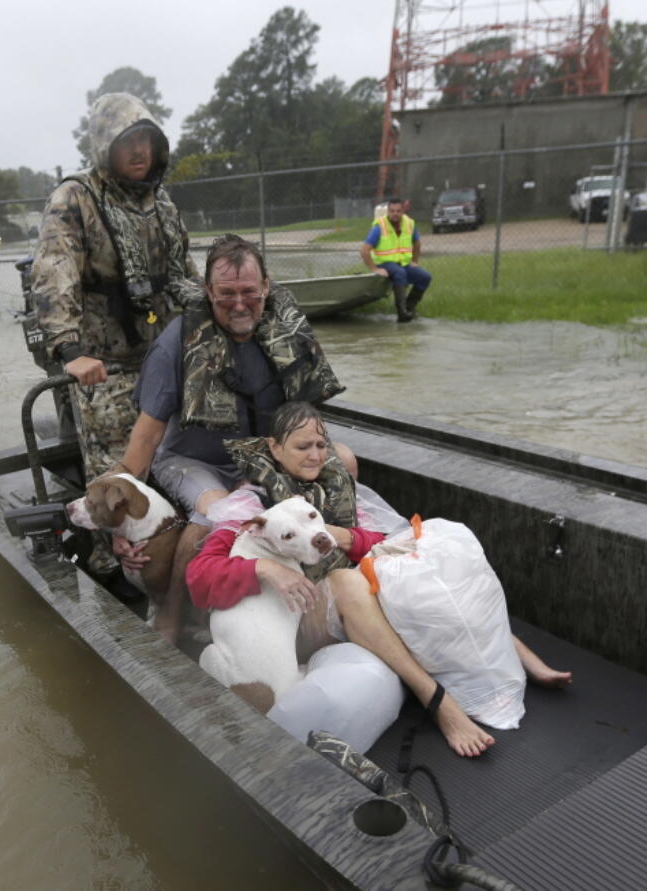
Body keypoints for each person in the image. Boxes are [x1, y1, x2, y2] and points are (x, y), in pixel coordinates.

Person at [186, 401, 572, 758]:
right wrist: (264, 568)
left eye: (322, 444)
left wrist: (344, 535)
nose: (316, 455)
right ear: (274, 447)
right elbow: (199, 577)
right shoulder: (250, 505)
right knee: (348, 581)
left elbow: (381, 540)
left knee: (432, 555)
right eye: (303, 446)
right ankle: (438, 702)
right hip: (299, 617)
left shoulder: (335, 487)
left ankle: (513, 652)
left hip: (347, 593)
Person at [110, 235, 345, 643]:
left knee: (346, 461)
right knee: (222, 512)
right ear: (208, 292)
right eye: (227, 294)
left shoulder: (287, 334)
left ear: (266, 288)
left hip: (261, 455)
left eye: (249, 293)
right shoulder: (177, 342)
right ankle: (172, 614)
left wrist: (289, 466)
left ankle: (334, 591)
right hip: (191, 460)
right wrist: (116, 523)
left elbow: (307, 423)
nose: (239, 304)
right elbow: (146, 441)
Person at [31, 92, 198, 574]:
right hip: (103, 365)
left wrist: (223, 309)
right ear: (106, 145)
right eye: (129, 140)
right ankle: (110, 573)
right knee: (113, 483)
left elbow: (184, 274)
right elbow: (53, 272)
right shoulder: (75, 198)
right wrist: (69, 350)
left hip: (162, 358)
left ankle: (172, 558)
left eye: (147, 139)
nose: (140, 150)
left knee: (175, 464)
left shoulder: (162, 205)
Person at [359, 198, 432, 323]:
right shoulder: (379, 227)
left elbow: (417, 243)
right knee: (400, 273)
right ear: (388, 211)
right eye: (392, 211)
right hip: (385, 263)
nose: (395, 214)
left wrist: (415, 261)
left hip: (403, 263)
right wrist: (374, 269)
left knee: (425, 277)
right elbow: (364, 250)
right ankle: (402, 314)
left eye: (398, 211)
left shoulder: (409, 224)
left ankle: (409, 308)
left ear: (403, 211)